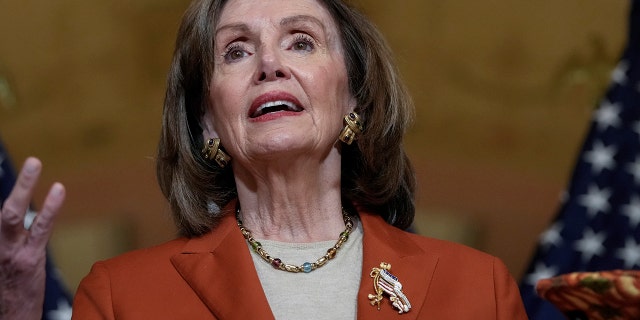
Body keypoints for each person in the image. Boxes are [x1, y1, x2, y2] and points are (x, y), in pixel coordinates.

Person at [4, 0, 528, 318]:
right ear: (207, 120)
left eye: (301, 42)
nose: (269, 64)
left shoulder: (479, 288)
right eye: (235, 51)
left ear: (356, 101)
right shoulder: (123, 298)